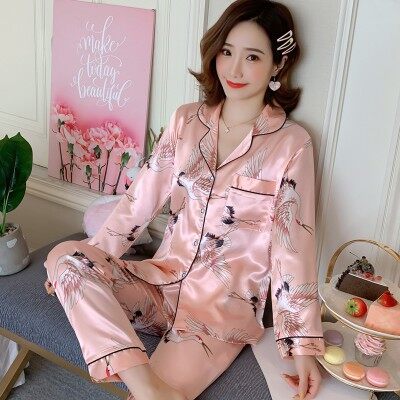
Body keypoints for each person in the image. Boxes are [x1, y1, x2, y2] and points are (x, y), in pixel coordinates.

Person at [44, 0, 325, 399]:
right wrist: (87, 265)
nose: (234, 69)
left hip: (216, 315)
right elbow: (138, 203)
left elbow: (293, 246)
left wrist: (302, 346)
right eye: (226, 51)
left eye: (252, 57)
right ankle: (148, 389)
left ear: (278, 65)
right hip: (159, 285)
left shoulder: (291, 144)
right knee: (64, 257)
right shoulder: (186, 121)